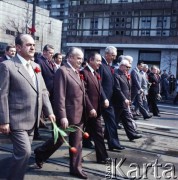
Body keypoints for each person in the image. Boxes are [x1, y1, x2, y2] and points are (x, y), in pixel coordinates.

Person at [0, 34, 55, 180]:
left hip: (32, 119)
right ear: (18, 47)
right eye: (28, 45)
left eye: (33, 45)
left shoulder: (36, 66)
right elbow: (3, 95)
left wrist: (49, 111)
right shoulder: (7, 66)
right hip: (15, 119)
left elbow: (43, 91)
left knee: (24, 154)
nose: (32, 47)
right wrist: (4, 121)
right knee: (24, 153)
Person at [34, 47, 88, 179]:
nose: (80, 61)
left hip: (79, 114)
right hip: (68, 115)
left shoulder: (77, 71)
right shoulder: (62, 71)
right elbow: (60, 96)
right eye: (78, 58)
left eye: (81, 58)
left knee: (77, 143)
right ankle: (40, 152)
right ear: (70, 57)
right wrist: (62, 116)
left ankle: (76, 168)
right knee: (59, 140)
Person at [81, 52, 108, 163]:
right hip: (85, 110)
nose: (100, 63)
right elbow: (84, 93)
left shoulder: (95, 73)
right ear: (91, 60)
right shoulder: (83, 72)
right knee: (73, 135)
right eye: (98, 61)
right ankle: (41, 152)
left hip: (95, 111)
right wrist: (90, 107)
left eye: (100, 61)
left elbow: (99, 89)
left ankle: (102, 157)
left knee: (98, 133)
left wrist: (104, 98)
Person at [98, 46, 125, 151]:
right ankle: (113, 143)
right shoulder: (101, 65)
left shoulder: (109, 66)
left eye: (115, 55)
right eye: (113, 55)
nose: (114, 58)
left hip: (109, 100)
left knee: (107, 121)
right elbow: (98, 84)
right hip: (103, 100)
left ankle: (112, 143)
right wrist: (104, 98)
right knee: (110, 121)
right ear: (107, 54)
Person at [113, 59, 142, 141]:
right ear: (122, 65)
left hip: (125, 102)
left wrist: (129, 99)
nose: (128, 69)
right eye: (127, 67)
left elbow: (128, 89)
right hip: (119, 102)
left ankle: (131, 134)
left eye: (129, 67)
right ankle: (108, 135)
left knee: (127, 118)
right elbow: (117, 89)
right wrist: (124, 99)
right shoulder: (116, 74)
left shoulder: (125, 74)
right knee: (114, 121)